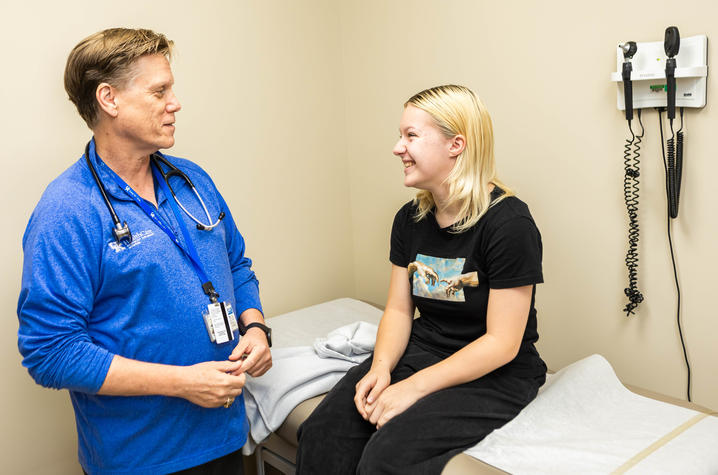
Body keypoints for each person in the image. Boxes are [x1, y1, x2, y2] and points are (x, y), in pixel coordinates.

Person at [17, 28, 272, 475]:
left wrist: (255, 327)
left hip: (226, 433)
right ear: (109, 99)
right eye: (159, 91)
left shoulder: (191, 180)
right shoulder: (68, 210)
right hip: (142, 457)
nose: (175, 102)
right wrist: (181, 383)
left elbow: (236, 265)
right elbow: (50, 352)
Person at [296, 85, 547, 474]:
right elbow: (398, 309)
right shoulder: (409, 219)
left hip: (496, 374)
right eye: (400, 136)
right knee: (322, 433)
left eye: (411, 136)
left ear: (456, 145)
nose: (398, 148)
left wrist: (412, 388)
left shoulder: (508, 224)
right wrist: (380, 367)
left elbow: (502, 343)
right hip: (423, 349)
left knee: (386, 459)